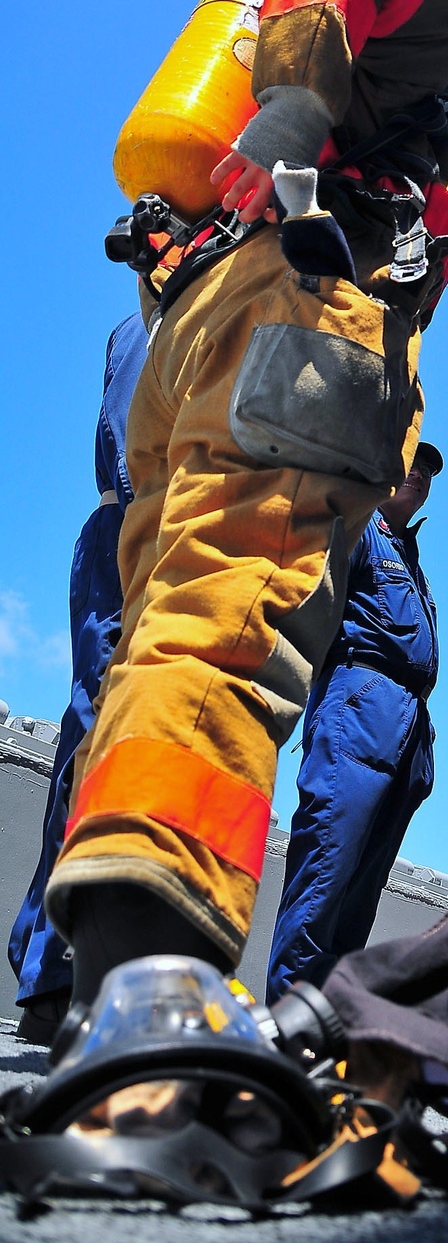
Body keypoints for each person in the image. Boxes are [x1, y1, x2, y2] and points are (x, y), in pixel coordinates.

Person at [45, 0, 448, 1006]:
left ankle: (107, 986)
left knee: (165, 633)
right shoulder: (430, 37)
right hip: (293, 323)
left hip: (202, 335)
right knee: (232, 627)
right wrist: (297, 103)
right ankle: (154, 1005)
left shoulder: (429, 185)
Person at [7, 313, 147, 1042]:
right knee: (98, 739)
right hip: (140, 530)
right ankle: (53, 967)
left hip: (156, 536)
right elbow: (137, 443)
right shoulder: (168, 312)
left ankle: (60, 962)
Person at [266, 442, 443, 1001]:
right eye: (411, 462)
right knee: (327, 866)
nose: (419, 475)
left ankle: (322, 1026)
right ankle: (286, 1017)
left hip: (408, 720)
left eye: (428, 471)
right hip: (361, 705)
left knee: (362, 889)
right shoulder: (358, 528)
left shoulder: (408, 554)